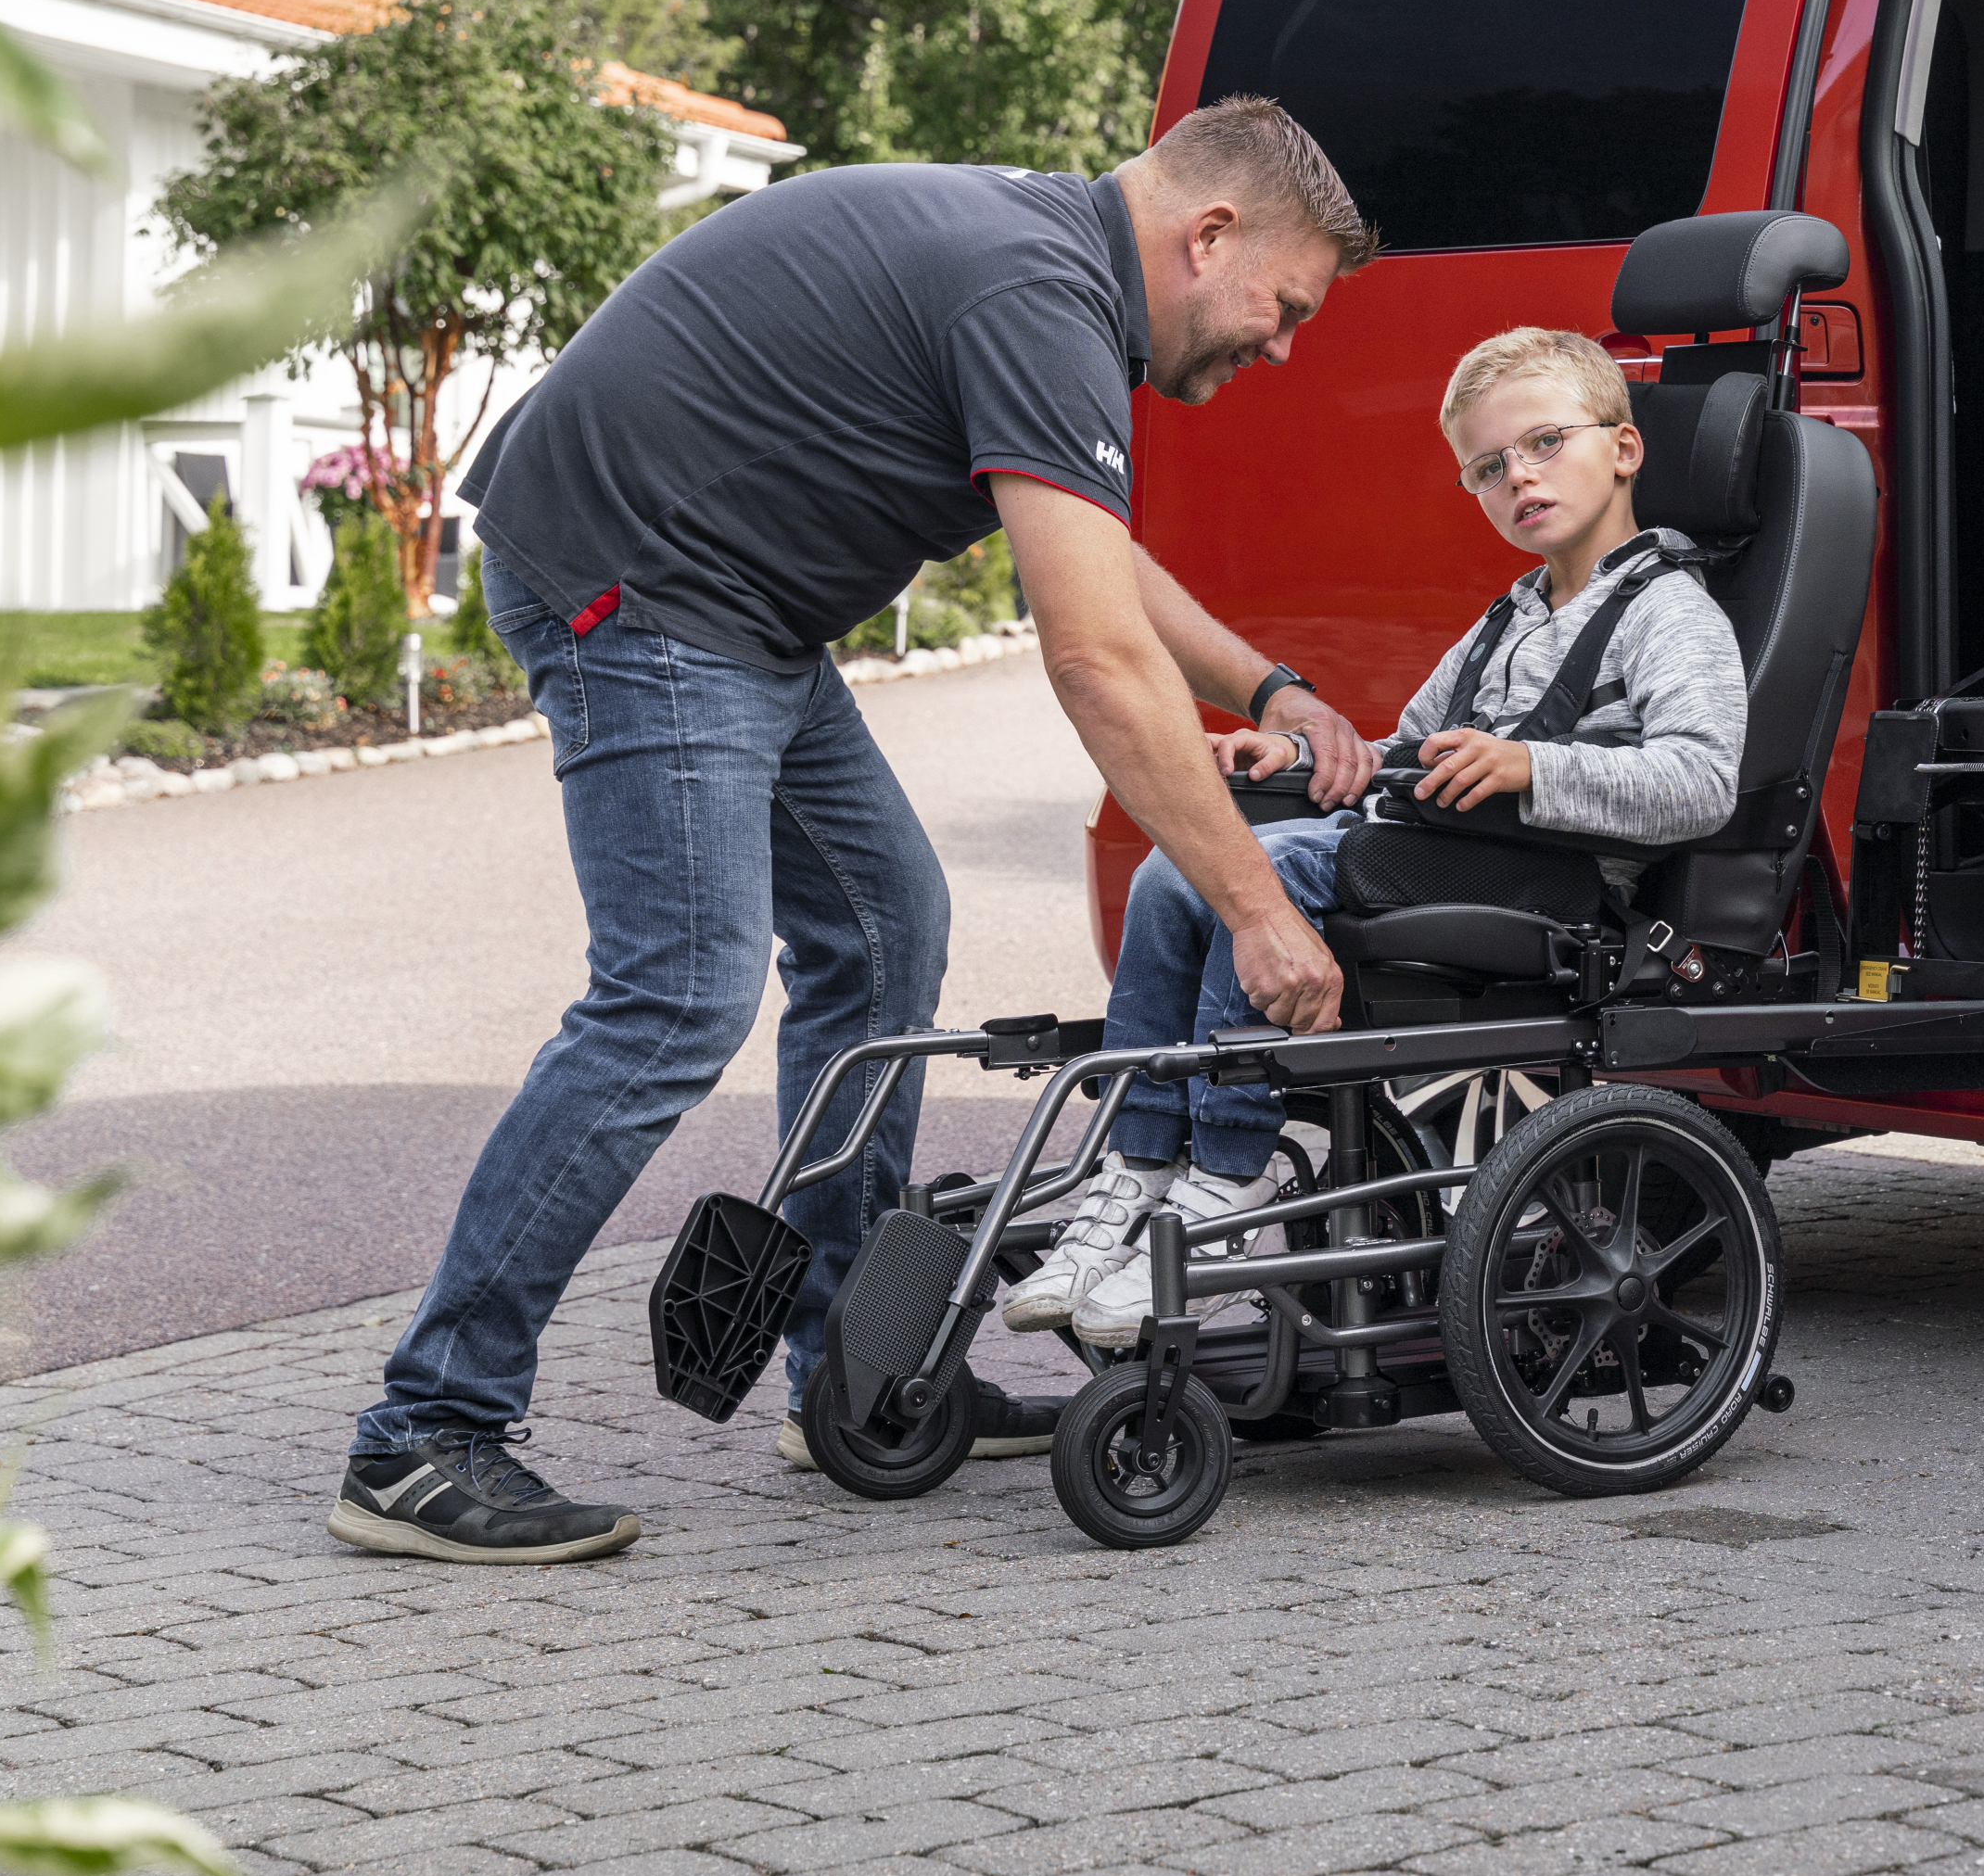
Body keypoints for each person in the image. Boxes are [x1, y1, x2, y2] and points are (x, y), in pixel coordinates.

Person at [329, 97, 1383, 1566]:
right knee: (673, 998)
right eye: (1282, 307)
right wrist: (1260, 911)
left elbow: (1104, 557)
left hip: (736, 611)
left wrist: (1266, 682)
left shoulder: (1045, 263)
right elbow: (1092, 658)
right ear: (1208, 237)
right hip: (644, 589)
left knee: (888, 929)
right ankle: (422, 1434)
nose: (1279, 345)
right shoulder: (1041, 289)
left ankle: (854, 1380)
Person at [994, 327, 1747, 1348]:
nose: (1516, 476)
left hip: (1551, 885)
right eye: (1487, 467)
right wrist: (1301, 763)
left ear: (1622, 448)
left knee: (1258, 869)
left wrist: (1533, 765)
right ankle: (1132, 1178)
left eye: (1542, 444)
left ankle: (1223, 1184)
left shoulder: (1671, 614)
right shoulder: (1509, 616)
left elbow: (1701, 784)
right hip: (1441, 851)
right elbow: (1407, 751)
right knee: (1181, 868)